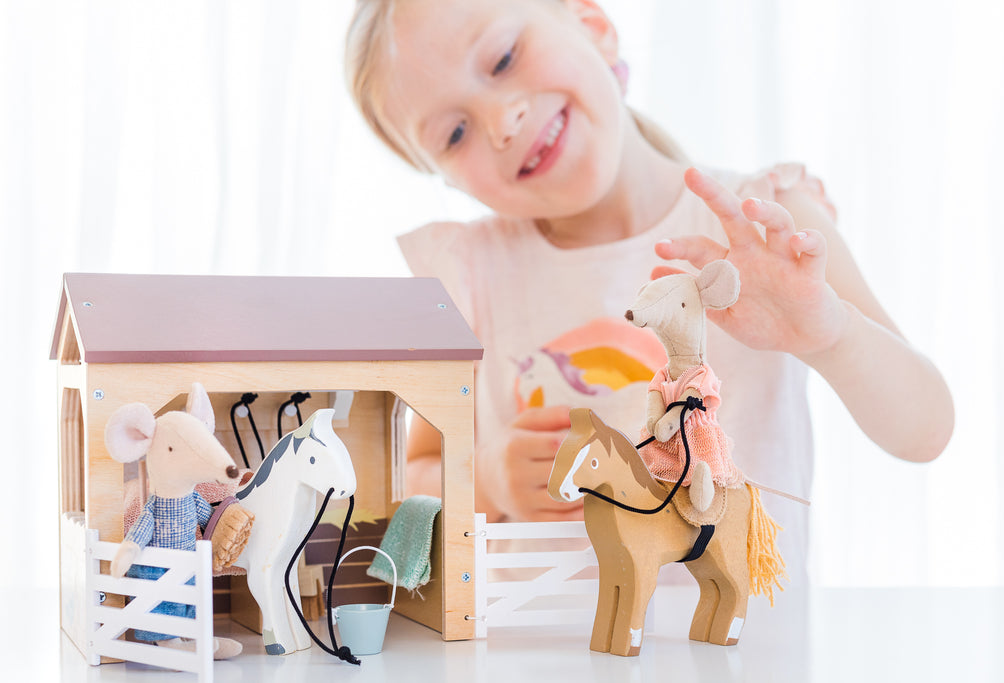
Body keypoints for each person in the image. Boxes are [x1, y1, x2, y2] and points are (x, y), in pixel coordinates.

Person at [344, 0, 953, 580]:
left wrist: (831, 333)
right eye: (454, 134)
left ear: (593, 24)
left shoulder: (766, 225)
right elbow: (408, 472)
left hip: (746, 655)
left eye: (503, 59)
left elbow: (927, 429)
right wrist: (488, 483)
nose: (502, 123)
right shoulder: (467, 274)